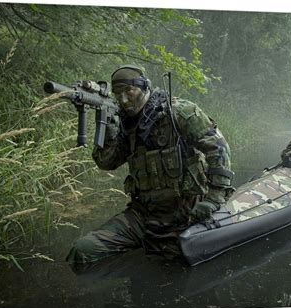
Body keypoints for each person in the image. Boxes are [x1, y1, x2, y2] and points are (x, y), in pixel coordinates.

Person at [66, 65, 234, 265]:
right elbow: (106, 162)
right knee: (82, 252)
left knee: (173, 264)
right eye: (118, 94)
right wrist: (109, 126)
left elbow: (219, 148)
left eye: (129, 91)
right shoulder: (126, 124)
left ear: (144, 87)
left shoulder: (179, 112)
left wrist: (214, 197)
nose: (124, 100)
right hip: (143, 214)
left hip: (188, 211)